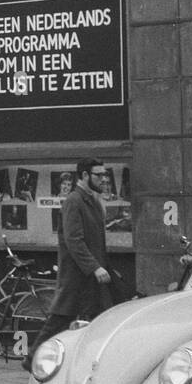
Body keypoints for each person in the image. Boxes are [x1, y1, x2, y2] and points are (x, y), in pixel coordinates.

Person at [26, 157, 113, 368]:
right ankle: (32, 360)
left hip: (90, 277)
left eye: (104, 175)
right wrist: (95, 267)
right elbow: (74, 240)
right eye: (98, 175)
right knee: (59, 319)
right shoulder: (74, 201)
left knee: (98, 319)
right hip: (77, 276)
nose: (103, 179)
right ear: (84, 176)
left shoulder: (91, 200)